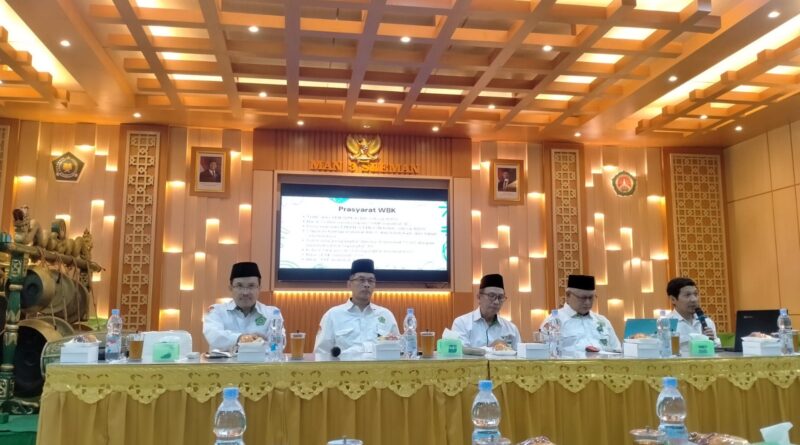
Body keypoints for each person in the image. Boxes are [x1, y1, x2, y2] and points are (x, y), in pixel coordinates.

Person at [314, 259, 399, 354]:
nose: (366, 284)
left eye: (371, 281)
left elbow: (398, 349)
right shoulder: (333, 315)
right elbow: (321, 352)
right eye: (361, 280)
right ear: (349, 284)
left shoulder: (385, 315)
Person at [203, 261, 282, 351]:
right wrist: (242, 338)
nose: (245, 292)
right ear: (231, 288)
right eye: (239, 286)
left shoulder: (272, 313)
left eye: (251, 286)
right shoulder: (216, 311)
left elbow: (278, 344)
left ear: (259, 288)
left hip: (259, 361)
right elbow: (214, 336)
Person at [541, 274, 621, 353]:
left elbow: (617, 351)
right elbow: (545, 354)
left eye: (591, 298)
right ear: (568, 295)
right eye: (583, 298)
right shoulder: (554, 321)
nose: (587, 302)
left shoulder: (602, 321)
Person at [451, 273, 521, 350]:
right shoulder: (462, 323)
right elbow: (462, 352)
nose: (496, 302)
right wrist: (492, 348)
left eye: (500, 297)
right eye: (491, 296)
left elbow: (520, 355)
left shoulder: (511, 329)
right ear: (479, 297)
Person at [666, 277, 721, 348]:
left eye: (695, 294)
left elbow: (717, 350)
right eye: (687, 295)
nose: (694, 299)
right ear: (673, 299)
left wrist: (711, 341)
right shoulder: (666, 324)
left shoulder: (707, 322)